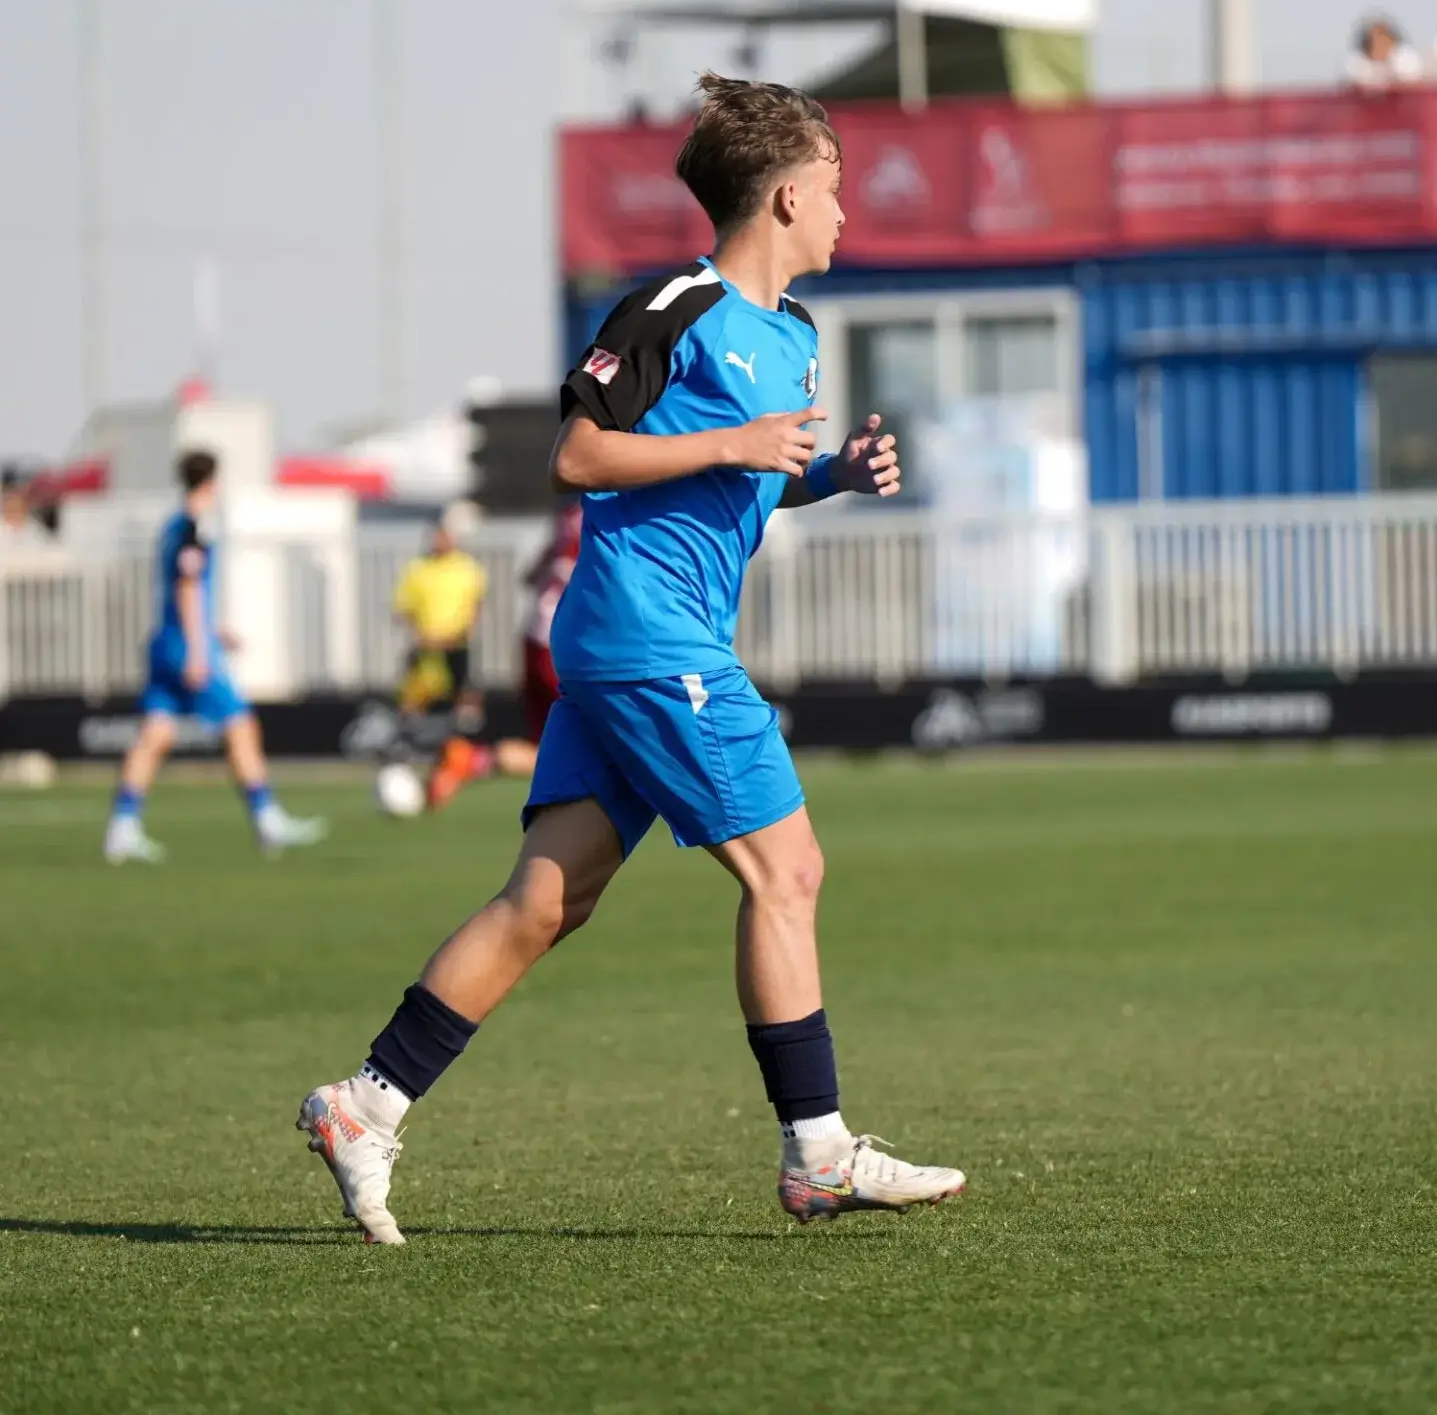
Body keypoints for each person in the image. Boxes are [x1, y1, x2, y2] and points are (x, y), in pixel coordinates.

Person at [298, 72, 965, 1245]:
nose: (849, 214)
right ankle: (817, 1154)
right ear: (787, 198)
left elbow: (737, 478)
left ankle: (367, 1103)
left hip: (644, 642)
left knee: (548, 898)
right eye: (836, 190)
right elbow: (578, 456)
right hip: (649, 639)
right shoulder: (674, 304)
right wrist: (740, 440)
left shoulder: (795, 338)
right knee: (787, 872)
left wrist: (823, 477)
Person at [103, 450, 328, 863]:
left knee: (155, 736)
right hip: (186, 646)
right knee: (241, 727)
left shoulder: (172, 526)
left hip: (165, 640)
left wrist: (211, 629)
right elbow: (188, 587)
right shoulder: (194, 527)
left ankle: (122, 826)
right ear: (212, 482)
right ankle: (267, 819)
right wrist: (198, 648)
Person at [426, 499, 582, 807]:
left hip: (536, 636)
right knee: (593, 748)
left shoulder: (570, 512)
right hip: (566, 643)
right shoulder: (608, 511)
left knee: (549, 749)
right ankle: (471, 760)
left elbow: (533, 575)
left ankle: (471, 759)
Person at [392, 511, 487, 723]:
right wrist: (421, 635)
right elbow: (404, 606)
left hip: (456, 644)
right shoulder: (417, 568)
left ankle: (462, 742)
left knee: (462, 692)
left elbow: (476, 603)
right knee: (415, 693)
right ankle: (410, 736)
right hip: (426, 645)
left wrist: (462, 632)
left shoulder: (468, 567)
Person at [1343, 16, 1423, 92]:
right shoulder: (1359, 64)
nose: (1377, 46)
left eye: (1381, 41)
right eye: (1371, 42)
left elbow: (1410, 83)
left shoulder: (1405, 58)